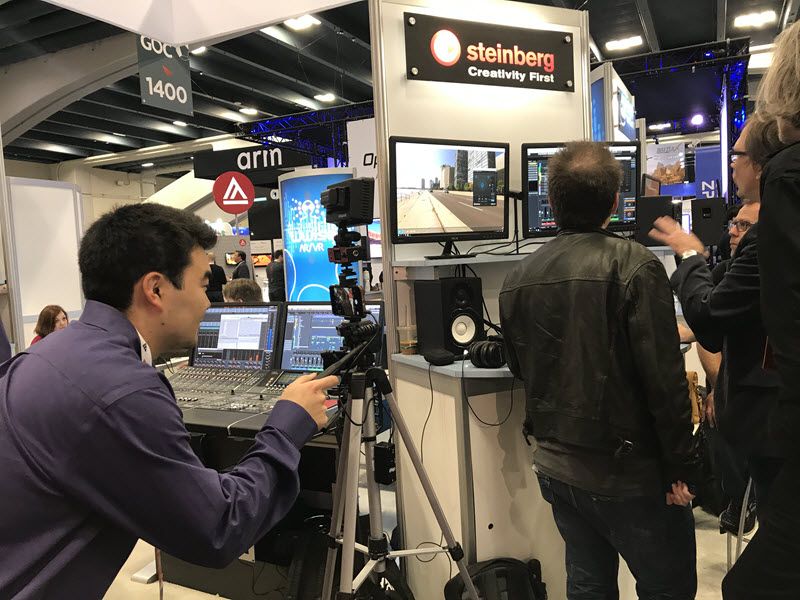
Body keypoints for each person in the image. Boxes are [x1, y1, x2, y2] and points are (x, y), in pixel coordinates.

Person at [0, 204, 337, 598]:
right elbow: (219, 529)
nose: (209, 304)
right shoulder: (124, 391)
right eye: (202, 284)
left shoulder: (46, 354)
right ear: (156, 289)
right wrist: (287, 425)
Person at [499, 141, 699, 600]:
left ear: (551, 202)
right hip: (630, 475)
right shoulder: (636, 266)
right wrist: (682, 469)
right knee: (667, 587)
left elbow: (518, 365)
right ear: (615, 200)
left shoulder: (519, 277)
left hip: (557, 468)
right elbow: (664, 381)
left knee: (588, 585)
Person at [721, 20, 800, 600]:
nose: (732, 166)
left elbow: (717, 317)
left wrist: (694, 260)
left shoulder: (788, 182)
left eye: (738, 156)